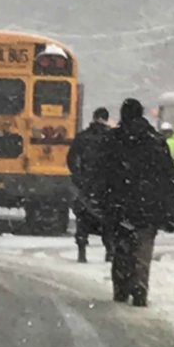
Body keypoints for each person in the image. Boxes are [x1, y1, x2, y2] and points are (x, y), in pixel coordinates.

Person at [94, 99, 174, 307]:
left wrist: (103, 201)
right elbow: (167, 177)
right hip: (148, 207)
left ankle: (121, 286)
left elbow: (101, 173)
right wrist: (167, 208)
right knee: (143, 248)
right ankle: (140, 285)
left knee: (122, 247)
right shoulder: (155, 141)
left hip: (119, 205)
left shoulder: (112, 140)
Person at [66, 107, 113, 263]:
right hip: (106, 184)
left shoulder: (83, 137)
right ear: (106, 119)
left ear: (93, 117)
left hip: (86, 183)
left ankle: (82, 249)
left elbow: (71, 158)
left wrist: (78, 176)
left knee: (83, 217)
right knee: (107, 218)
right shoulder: (112, 137)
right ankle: (109, 250)